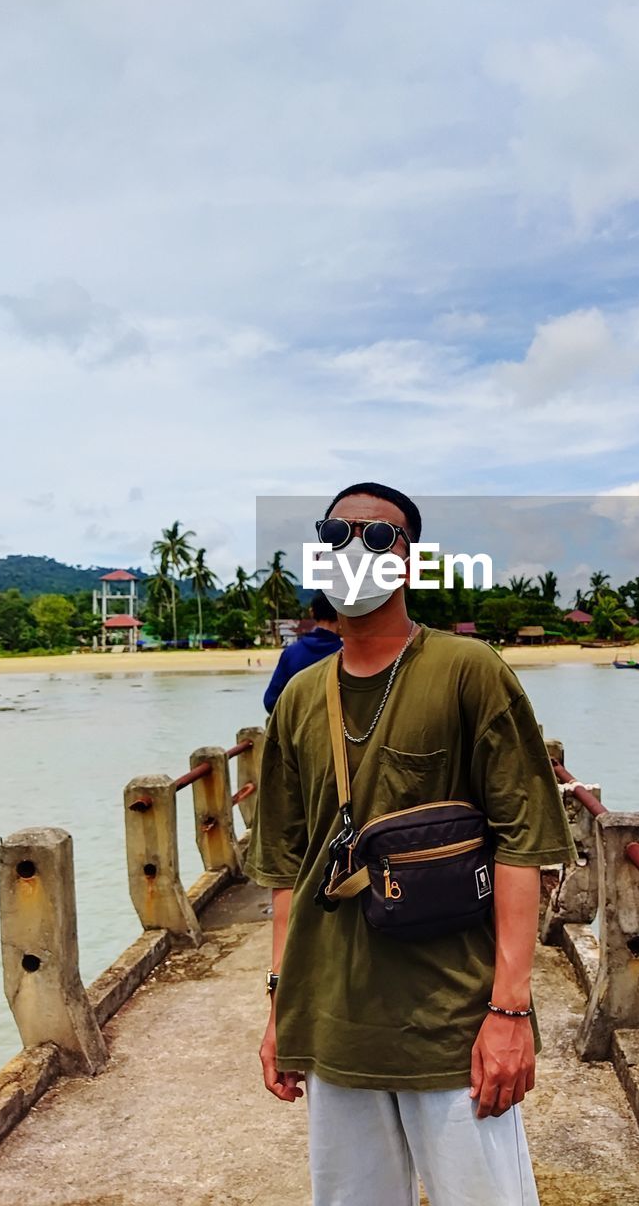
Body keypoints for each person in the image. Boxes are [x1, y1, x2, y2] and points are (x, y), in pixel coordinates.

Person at [246, 482, 576, 1206]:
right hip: (335, 1026)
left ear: (410, 561)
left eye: (377, 538)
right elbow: (284, 873)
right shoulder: (300, 697)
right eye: (336, 535)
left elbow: (523, 843)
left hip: (452, 1024)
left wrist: (510, 1012)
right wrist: (281, 1010)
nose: (353, 551)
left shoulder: (468, 670)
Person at [262, 591, 342, 714]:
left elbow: (270, 701)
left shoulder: (291, 653)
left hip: (299, 730)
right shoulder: (349, 655)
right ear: (340, 613)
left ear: (312, 612)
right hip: (338, 730)